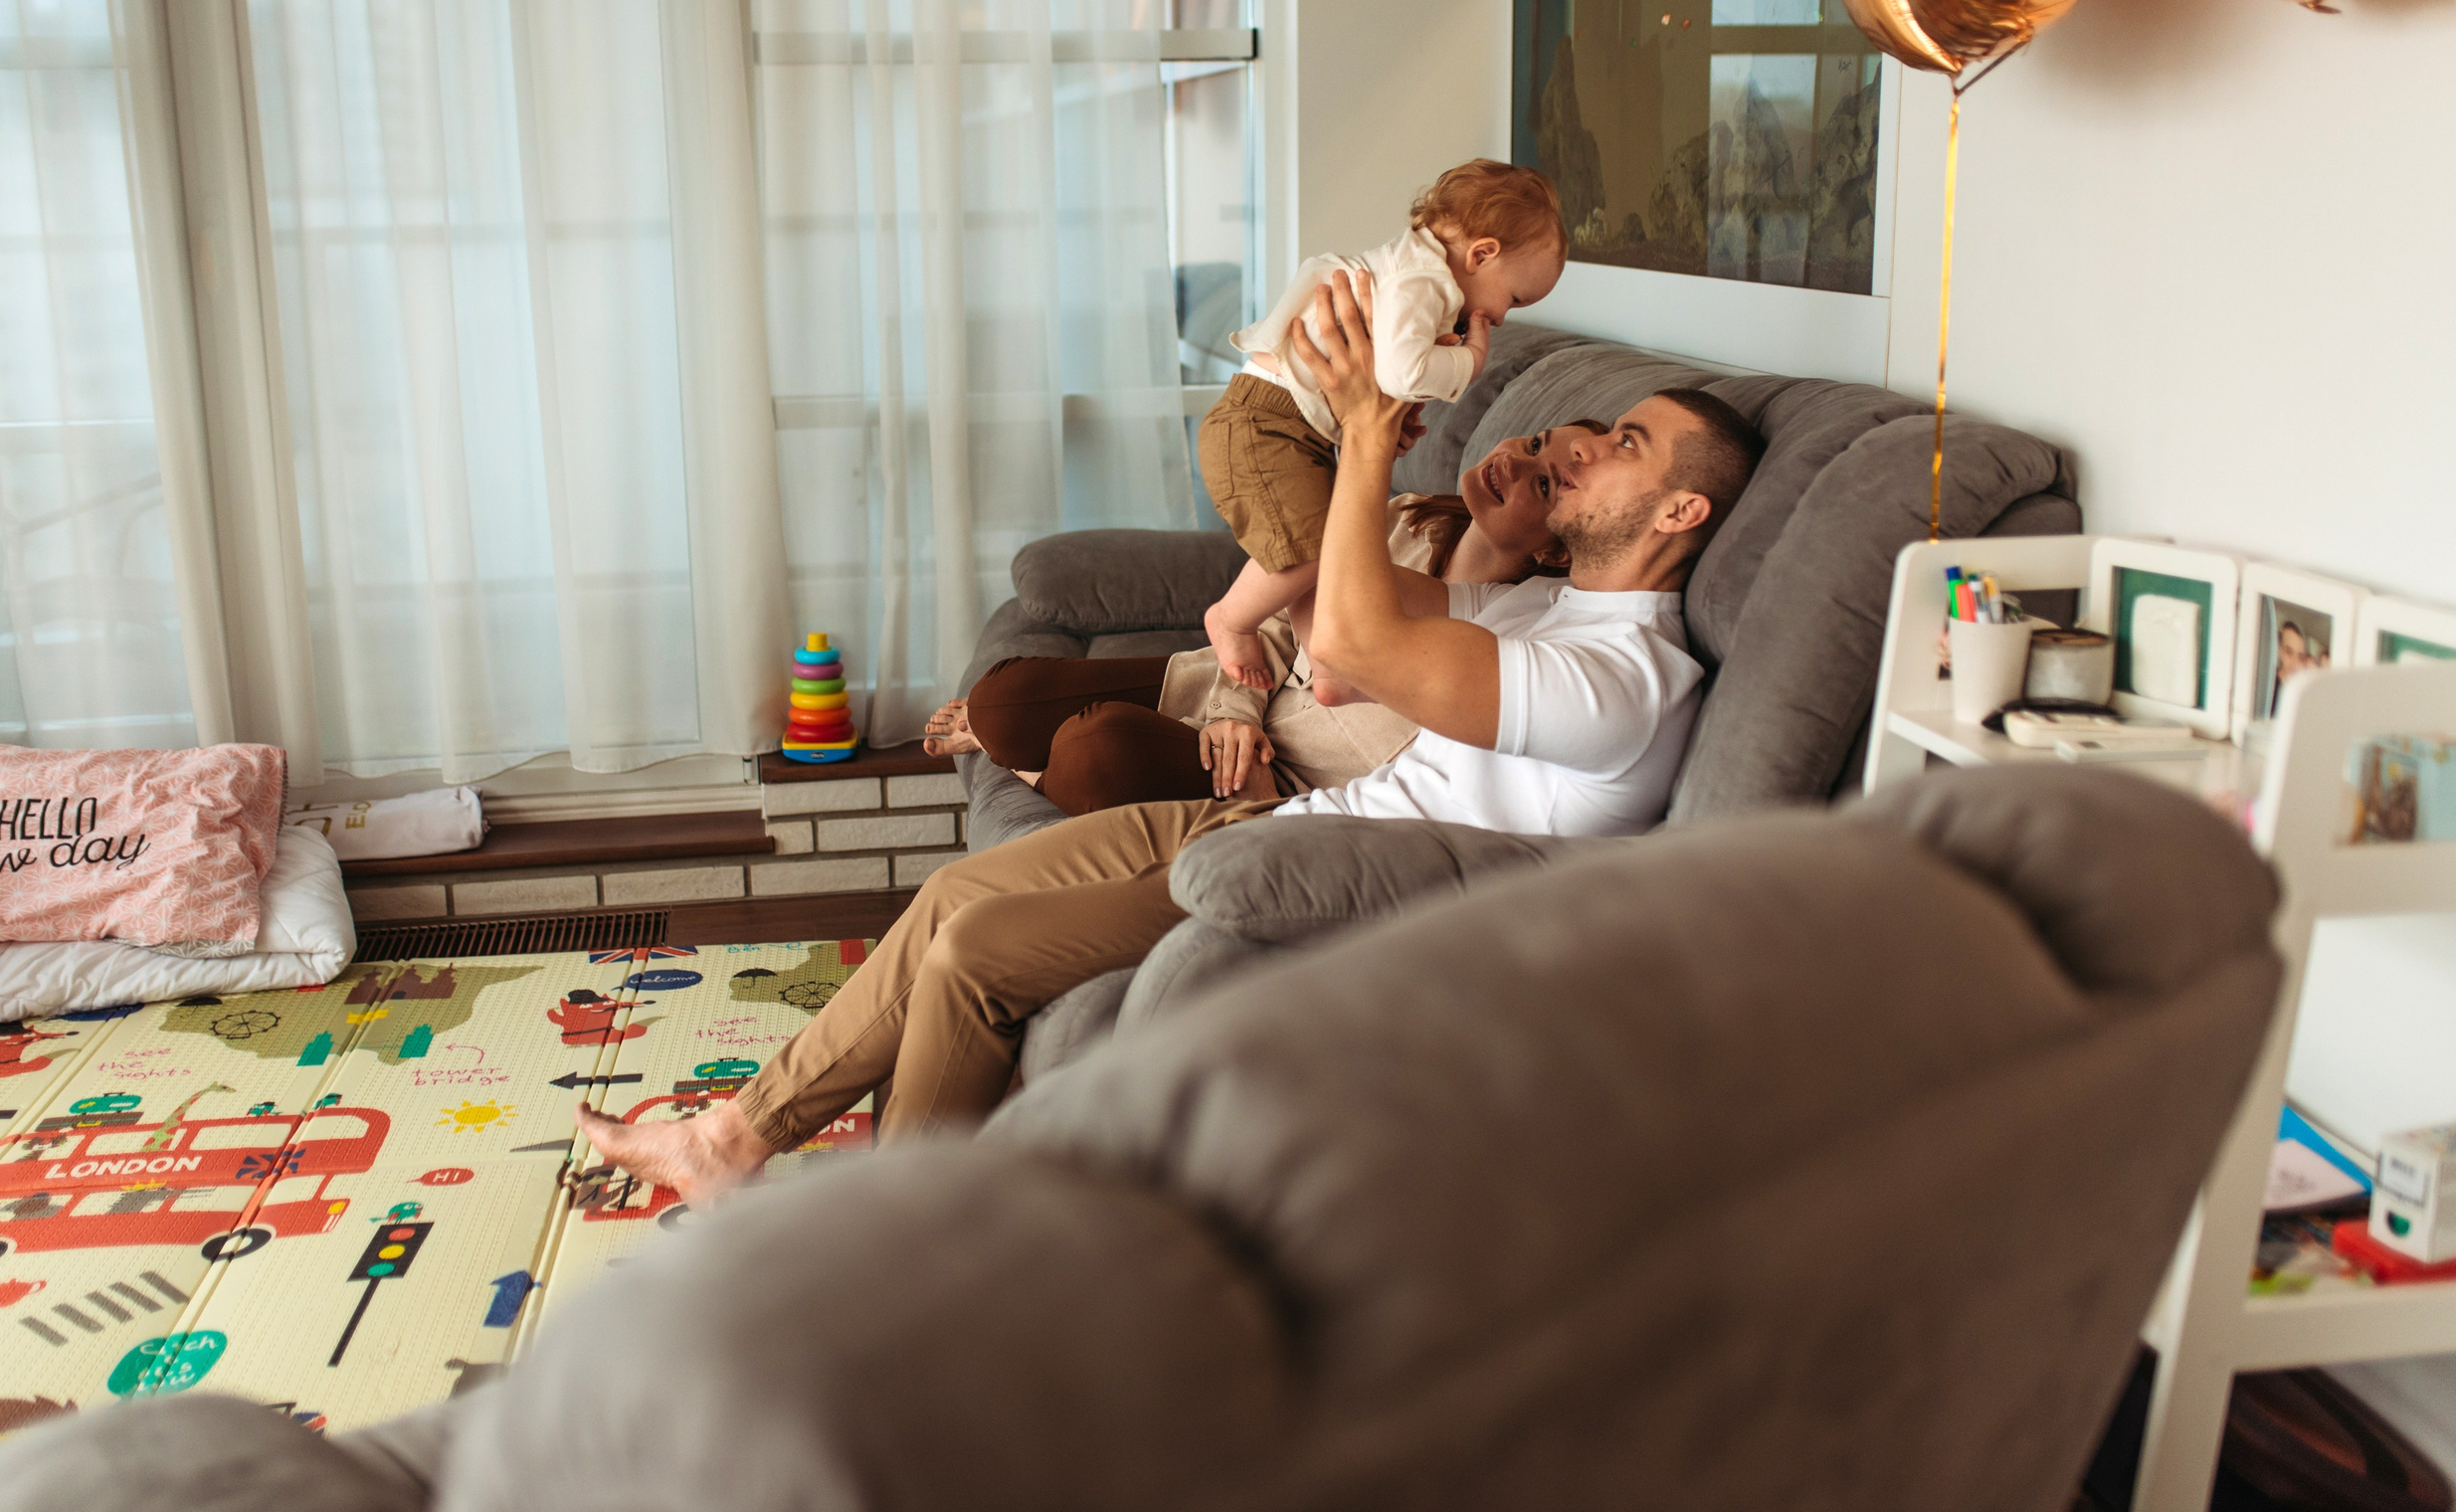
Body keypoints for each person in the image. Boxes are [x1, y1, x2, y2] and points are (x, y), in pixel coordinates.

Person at [576, 267, 1763, 1207]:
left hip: (1322, 884)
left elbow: (1350, 641)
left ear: (1679, 511)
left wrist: (1359, 434)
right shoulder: (1547, 606)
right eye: (1601, 422)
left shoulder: (1622, 682)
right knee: (950, 896)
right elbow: (1357, 615)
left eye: (1625, 445)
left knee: (977, 952)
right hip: (1273, 821)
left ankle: (899, 1256)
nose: (1583, 441)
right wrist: (1458, 515)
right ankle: (731, 1136)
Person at [920, 420, 1610, 814]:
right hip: (1233, 695)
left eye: (1543, 482)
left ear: (1554, 551)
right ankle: (1017, 742)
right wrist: (1234, 711)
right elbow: (1275, 626)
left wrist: (1261, 796)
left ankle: (1042, 763)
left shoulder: (1499, 643)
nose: (1513, 463)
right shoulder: (1405, 517)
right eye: (1533, 441)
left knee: (1091, 748)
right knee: (1001, 697)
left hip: (1274, 777)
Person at [1197, 159, 1569, 698]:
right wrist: (1470, 360)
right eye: (1514, 297)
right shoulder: (1424, 281)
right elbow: (1402, 370)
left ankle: (1326, 663)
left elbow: (1385, 379)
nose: (1504, 317)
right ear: (1482, 253)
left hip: (1299, 422)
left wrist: (1382, 423)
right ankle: (1231, 619)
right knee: (1323, 547)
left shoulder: (1419, 279)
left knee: (1332, 554)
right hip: (1268, 420)